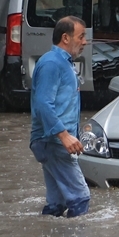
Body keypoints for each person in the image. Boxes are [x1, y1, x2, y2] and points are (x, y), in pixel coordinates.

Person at [30, 16, 90, 218]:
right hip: (54, 142)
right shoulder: (52, 63)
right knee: (80, 199)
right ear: (65, 38)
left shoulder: (62, 63)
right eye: (81, 37)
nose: (84, 42)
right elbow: (42, 104)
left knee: (57, 203)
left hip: (53, 142)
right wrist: (64, 136)